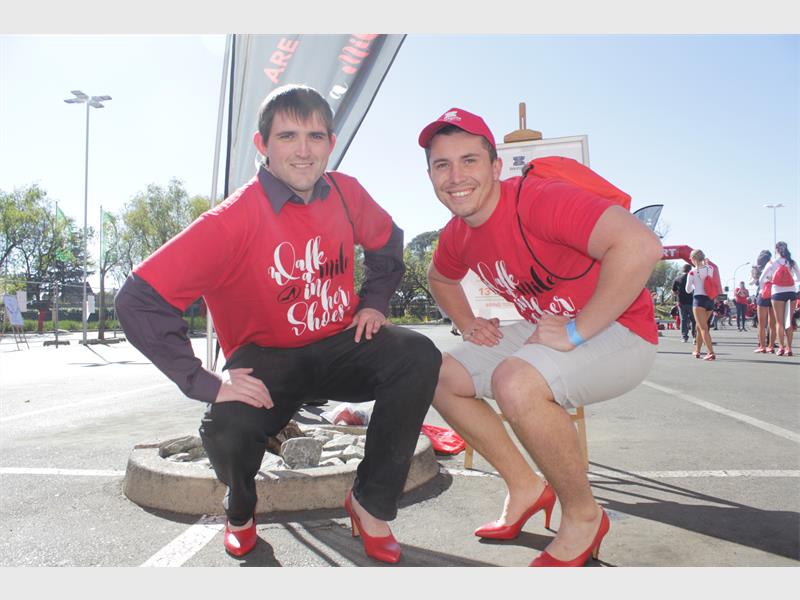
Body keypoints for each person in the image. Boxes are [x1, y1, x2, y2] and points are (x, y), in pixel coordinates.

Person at [115, 84, 441, 563]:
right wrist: (204, 380)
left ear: (331, 142)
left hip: (339, 343)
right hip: (267, 360)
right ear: (262, 144)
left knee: (417, 355)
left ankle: (370, 503)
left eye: (315, 136)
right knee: (226, 424)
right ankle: (240, 509)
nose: (304, 150)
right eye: (288, 136)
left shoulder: (346, 193)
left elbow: (387, 240)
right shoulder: (231, 219)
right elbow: (138, 299)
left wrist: (374, 301)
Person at [419, 108, 661, 567]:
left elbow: (640, 245)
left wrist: (578, 330)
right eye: (441, 165)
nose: (456, 177)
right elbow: (440, 278)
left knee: (515, 381)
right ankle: (525, 487)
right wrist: (467, 323)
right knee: (437, 374)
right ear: (430, 175)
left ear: (495, 167)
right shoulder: (457, 233)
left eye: (469, 161)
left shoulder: (538, 199)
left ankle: (584, 516)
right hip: (549, 324)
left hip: (622, 328)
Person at [759, 241, 800, 356]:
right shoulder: (791, 262)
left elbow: (761, 279)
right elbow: (799, 277)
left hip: (777, 292)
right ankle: (789, 348)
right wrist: (792, 280)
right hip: (791, 292)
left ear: (776, 250)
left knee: (779, 322)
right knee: (788, 321)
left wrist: (770, 280)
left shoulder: (772, 262)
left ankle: (781, 348)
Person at [685, 250, 717, 360]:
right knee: (700, 326)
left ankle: (710, 352)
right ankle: (697, 350)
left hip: (699, 300)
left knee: (703, 328)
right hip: (710, 300)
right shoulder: (710, 268)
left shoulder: (692, 272)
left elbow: (688, 290)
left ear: (693, 259)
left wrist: (695, 285)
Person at [751, 250, 777, 353]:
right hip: (774, 294)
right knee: (772, 324)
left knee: (761, 324)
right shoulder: (774, 266)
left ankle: (762, 346)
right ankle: (771, 346)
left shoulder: (757, 268)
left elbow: (753, 282)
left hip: (763, 294)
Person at [672, 263, 696, 342]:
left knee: (683, 320)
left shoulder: (677, 278)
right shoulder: (693, 277)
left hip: (681, 302)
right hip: (692, 302)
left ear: (683, 269)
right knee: (694, 320)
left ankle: (684, 337)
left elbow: (674, 291)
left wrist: (678, 294)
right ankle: (695, 336)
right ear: (690, 269)